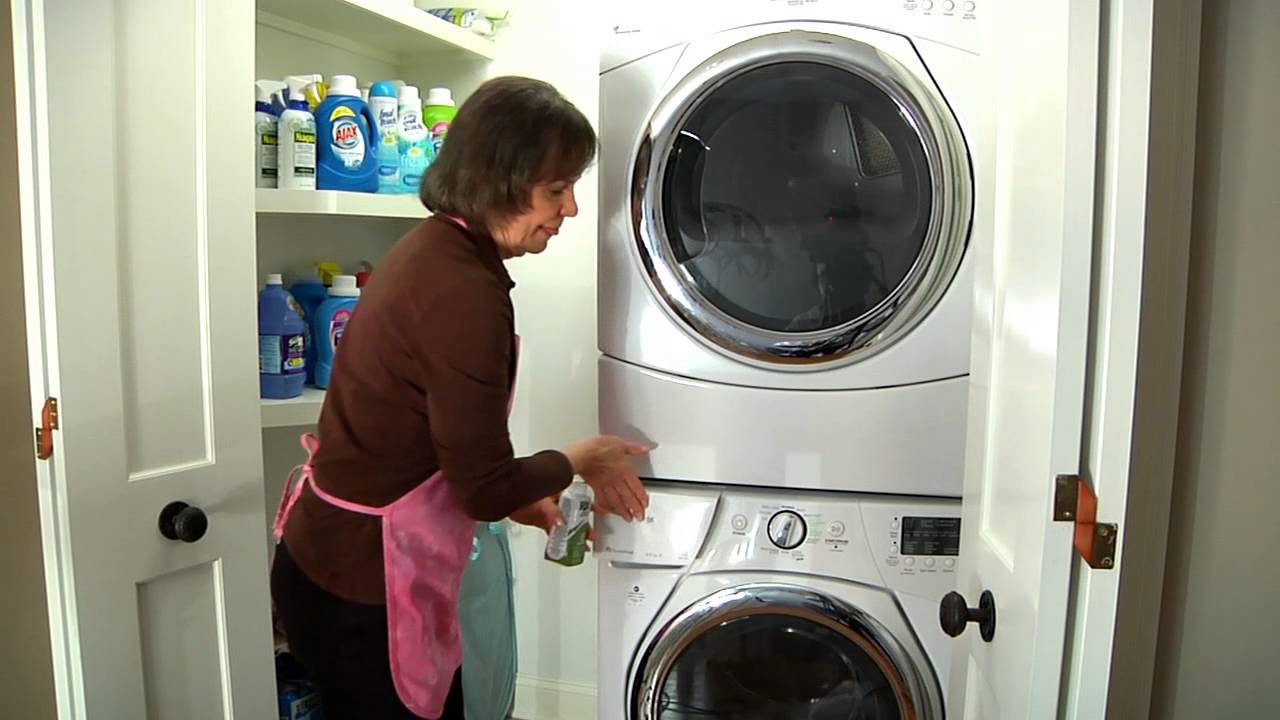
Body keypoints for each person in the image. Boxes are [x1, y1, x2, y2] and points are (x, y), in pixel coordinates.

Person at [270, 76, 650, 720]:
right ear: (498, 179)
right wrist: (580, 457)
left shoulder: (434, 250)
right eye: (556, 189)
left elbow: (438, 446)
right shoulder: (462, 290)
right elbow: (482, 486)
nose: (572, 209)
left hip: (328, 560)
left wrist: (521, 493)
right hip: (364, 584)